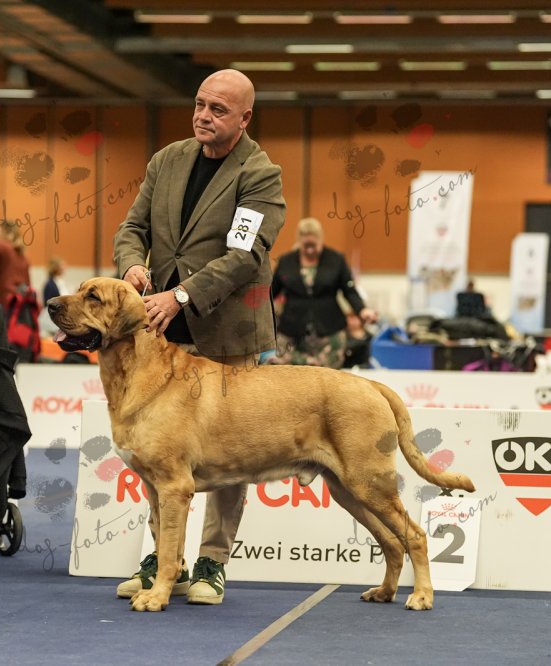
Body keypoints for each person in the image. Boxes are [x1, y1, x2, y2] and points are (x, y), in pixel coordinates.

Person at [112, 68, 285, 605]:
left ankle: (212, 561)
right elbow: (132, 229)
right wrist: (131, 265)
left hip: (227, 331)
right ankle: (165, 561)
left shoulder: (260, 174)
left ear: (244, 118)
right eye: (199, 104)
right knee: (157, 452)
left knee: (228, 453)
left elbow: (244, 256)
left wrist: (181, 294)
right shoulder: (166, 160)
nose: (203, 116)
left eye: (218, 110)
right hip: (159, 334)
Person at [269, 217, 376, 369]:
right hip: (291, 332)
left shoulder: (336, 260)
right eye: (306, 245)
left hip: (329, 332)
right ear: (299, 241)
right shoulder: (286, 261)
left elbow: (349, 291)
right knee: (289, 375)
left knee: (327, 377)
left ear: (321, 239)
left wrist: (362, 310)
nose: (310, 250)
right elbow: (271, 293)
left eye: (313, 245)